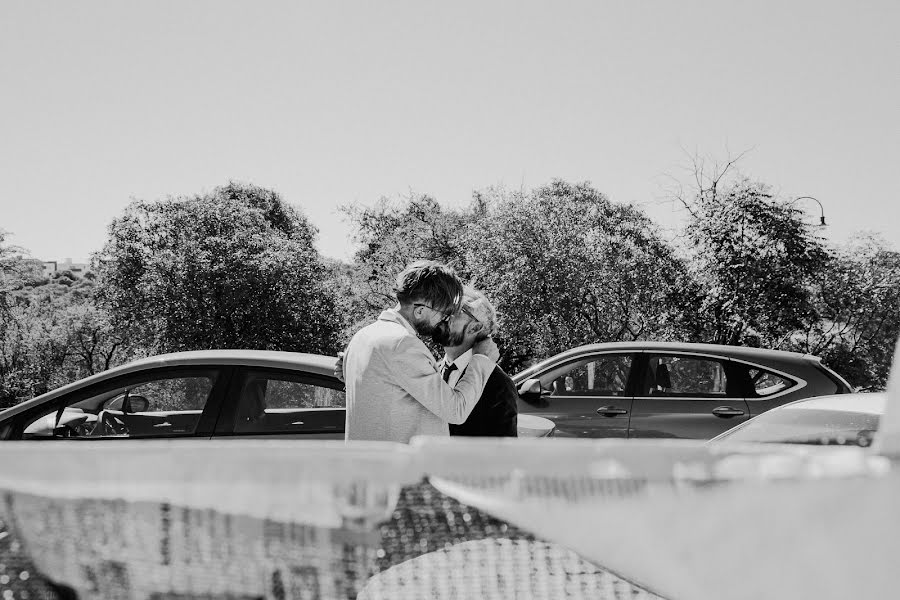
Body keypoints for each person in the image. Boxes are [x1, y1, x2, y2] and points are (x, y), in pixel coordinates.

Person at [342, 261, 500, 443]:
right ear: (420, 311)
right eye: (443, 313)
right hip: (399, 468)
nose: (444, 319)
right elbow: (456, 410)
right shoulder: (403, 344)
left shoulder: (362, 336)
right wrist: (481, 359)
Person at [434, 287, 518, 437]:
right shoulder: (433, 369)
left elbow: (503, 454)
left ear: (475, 327)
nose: (441, 316)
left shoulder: (498, 384)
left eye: (452, 312)